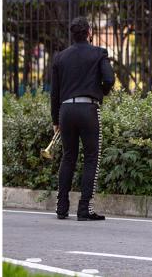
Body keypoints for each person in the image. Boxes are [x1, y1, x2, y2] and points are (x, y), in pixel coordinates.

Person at [51, 16, 115, 221]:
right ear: (89, 32)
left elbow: (54, 92)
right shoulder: (99, 53)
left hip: (66, 111)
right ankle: (84, 209)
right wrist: (101, 91)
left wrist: (55, 120)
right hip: (88, 109)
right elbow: (109, 79)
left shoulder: (60, 57)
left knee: (68, 156)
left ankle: (61, 208)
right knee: (91, 158)